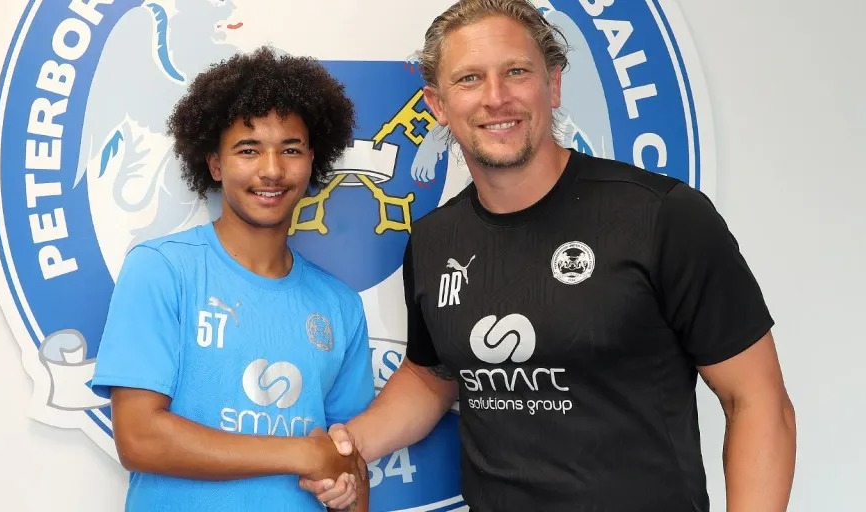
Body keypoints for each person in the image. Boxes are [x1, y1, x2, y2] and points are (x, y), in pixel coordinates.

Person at [301, 1, 797, 510]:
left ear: (553, 84)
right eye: (470, 79)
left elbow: (757, 401)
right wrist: (347, 445)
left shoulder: (662, 216)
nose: (496, 98)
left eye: (516, 72)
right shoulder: (434, 240)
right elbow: (432, 376)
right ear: (438, 104)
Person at [91, 47, 371, 512]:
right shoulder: (161, 269)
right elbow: (139, 438)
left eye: (290, 149)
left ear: (312, 161)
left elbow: (348, 469)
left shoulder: (340, 305)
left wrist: (345, 491)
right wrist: (299, 452)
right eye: (248, 149)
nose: (272, 170)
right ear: (215, 164)